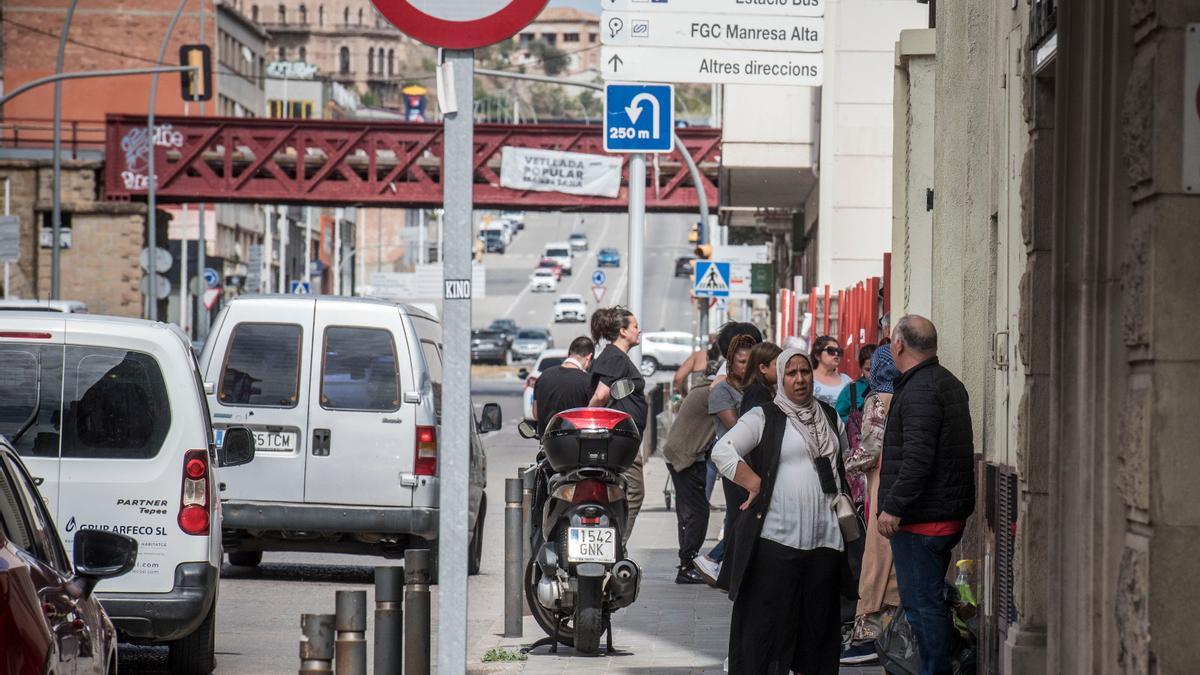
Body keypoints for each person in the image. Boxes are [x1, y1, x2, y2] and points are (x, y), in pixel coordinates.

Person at [712, 349, 850, 675]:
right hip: (777, 540)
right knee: (769, 628)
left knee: (818, 630)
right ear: (780, 376)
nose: (800, 379)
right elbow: (723, 451)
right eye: (791, 373)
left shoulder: (829, 417)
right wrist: (755, 484)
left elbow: (841, 466)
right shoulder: (765, 416)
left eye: (805, 371)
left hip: (825, 541)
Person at [876, 315, 975, 675]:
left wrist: (893, 507)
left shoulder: (919, 390)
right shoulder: (946, 382)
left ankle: (935, 669)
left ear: (899, 345)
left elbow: (917, 458)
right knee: (927, 601)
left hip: (923, 520)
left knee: (922, 605)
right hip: (942, 514)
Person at [840, 344, 902, 665]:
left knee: (876, 558)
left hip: (881, 485)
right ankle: (892, 629)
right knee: (891, 560)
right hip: (901, 484)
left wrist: (845, 462)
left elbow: (868, 451)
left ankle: (868, 634)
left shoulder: (878, 400)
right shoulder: (906, 393)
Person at [588, 306, 648, 543]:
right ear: (623, 331)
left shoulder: (616, 357)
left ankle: (611, 542)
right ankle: (616, 544)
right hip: (620, 440)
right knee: (634, 492)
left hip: (622, 439)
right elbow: (601, 395)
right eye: (634, 326)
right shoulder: (615, 357)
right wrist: (588, 417)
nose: (638, 330)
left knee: (619, 493)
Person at [661, 379, 716, 584]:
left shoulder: (703, 388)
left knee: (687, 511)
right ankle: (687, 564)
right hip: (687, 458)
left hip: (679, 454)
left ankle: (687, 561)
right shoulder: (717, 391)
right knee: (697, 512)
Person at [532, 336, 594, 436]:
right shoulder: (587, 381)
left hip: (548, 444)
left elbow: (536, 414)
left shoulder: (543, 376)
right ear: (589, 357)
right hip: (575, 444)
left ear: (569, 354)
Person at [739, 341, 783, 415]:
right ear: (763, 368)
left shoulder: (765, 389)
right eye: (778, 364)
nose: (782, 368)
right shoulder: (756, 392)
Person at [836, 344, 877, 422]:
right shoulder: (851, 389)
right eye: (868, 370)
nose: (873, 374)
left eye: (876, 368)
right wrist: (854, 420)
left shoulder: (891, 387)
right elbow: (837, 416)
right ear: (861, 368)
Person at [812, 335, 853, 408]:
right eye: (831, 350)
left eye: (839, 351)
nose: (836, 354)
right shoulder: (807, 378)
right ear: (817, 355)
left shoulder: (847, 381)